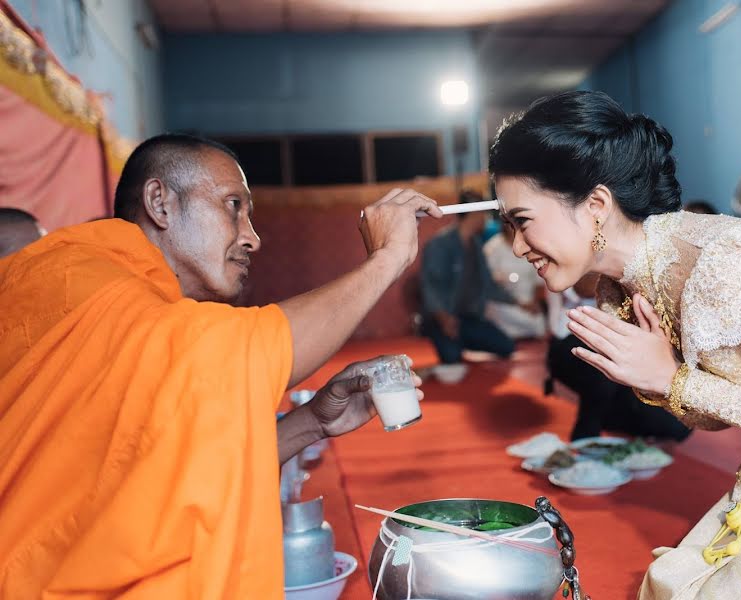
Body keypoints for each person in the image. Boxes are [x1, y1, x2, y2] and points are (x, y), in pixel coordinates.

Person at [489, 90, 741, 599]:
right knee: (672, 584)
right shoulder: (617, 291)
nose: (517, 246)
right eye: (508, 225)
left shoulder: (720, 268)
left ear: (596, 205)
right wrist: (667, 385)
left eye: (523, 221)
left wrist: (672, 380)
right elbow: (716, 417)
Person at [0, 134, 441, 598]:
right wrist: (387, 259)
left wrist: (311, 423)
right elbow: (239, 348)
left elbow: (154, 466)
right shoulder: (79, 280)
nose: (252, 237)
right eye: (234, 206)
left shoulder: (137, 308)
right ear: (160, 203)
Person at [546, 273, 690, 441]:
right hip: (570, 340)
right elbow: (584, 288)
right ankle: (585, 440)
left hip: (625, 345)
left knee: (677, 426)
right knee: (603, 370)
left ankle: (613, 422)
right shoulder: (586, 255)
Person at [419, 190, 516, 368]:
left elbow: (488, 285)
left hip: (469, 319)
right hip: (442, 319)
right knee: (451, 357)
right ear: (475, 214)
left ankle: (462, 342)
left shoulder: (476, 245)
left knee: (507, 346)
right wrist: (444, 319)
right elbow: (430, 287)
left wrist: (519, 303)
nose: (486, 220)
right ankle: (451, 344)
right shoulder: (439, 244)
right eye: (483, 214)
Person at [484, 225, 547, 339]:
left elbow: (539, 282)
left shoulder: (532, 244)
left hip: (529, 303)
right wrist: (518, 303)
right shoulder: (492, 247)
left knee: (539, 324)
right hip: (505, 302)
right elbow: (489, 285)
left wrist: (534, 303)